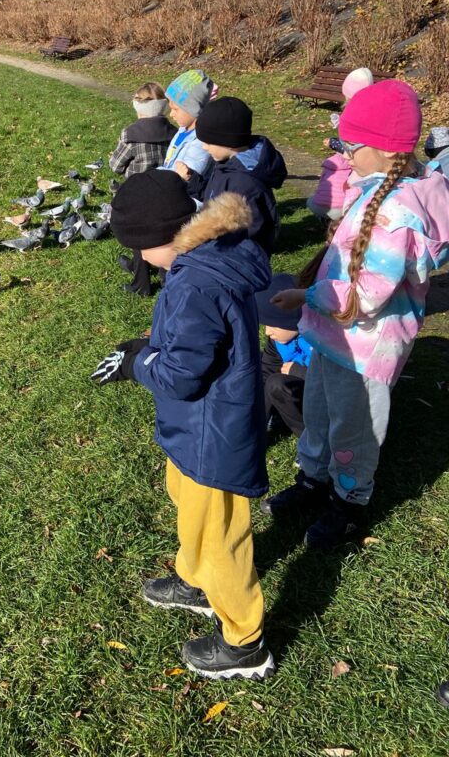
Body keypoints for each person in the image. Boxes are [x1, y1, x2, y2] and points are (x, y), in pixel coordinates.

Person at [92, 169, 275, 680]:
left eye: (136, 249)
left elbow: (179, 375)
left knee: (221, 537)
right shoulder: (207, 257)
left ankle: (245, 641)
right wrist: (151, 346)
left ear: (157, 242)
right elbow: (190, 345)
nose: (137, 260)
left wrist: (137, 362)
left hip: (211, 431)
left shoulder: (196, 282)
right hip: (195, 428)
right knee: (185, 499)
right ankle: (196, 582)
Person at [262, 80, 449, 549]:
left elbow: (365, 296)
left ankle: (348, 502)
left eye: (352, 145)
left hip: (365, 347)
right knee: (322, 412)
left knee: (354, 428)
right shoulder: (377, 186)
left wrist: (308, 296)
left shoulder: (396, 215)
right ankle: (313, 479)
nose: (345, 154)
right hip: (336, 337)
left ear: (387, 153)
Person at [195, 96, 287, 255]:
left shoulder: (244, 183)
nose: (204, 147)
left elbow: (253, 230)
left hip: (237, 257)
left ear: (227, 140)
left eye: (208, 142)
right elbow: (213, 193)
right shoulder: (226, 164)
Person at [110, 82, 177, 295]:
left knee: (140, 235)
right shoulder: (174, 132)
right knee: (165, 234)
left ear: (139, 107)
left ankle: (141, 284)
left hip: (138, 193)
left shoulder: (131, 133)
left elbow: (116, 166)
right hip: (168, 191)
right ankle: (165, 276)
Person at [308, 67, 374, 221]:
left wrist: (334, 143)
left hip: (357, 167)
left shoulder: (352, 117)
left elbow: (349, 145)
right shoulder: (364, 114)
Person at [256, 273, 312, 438]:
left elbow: (332, 382)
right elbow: (267, 371)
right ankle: (259, 428)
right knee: (256, 365)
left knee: (276, 383)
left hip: (321, 399)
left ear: (293, 319)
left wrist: (296, 371)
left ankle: (311, 440)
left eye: (273, 325)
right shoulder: (278, 340)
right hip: (294, 391)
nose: (267, 331)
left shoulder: (321, 341)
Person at [160, 69, 216, 199]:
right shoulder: (183, 130)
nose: (171, 114)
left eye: (175, 109)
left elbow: (187, 173)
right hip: (170, 189)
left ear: (193, 109)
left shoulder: (201, 142)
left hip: (187, 200)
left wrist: (157, 175)